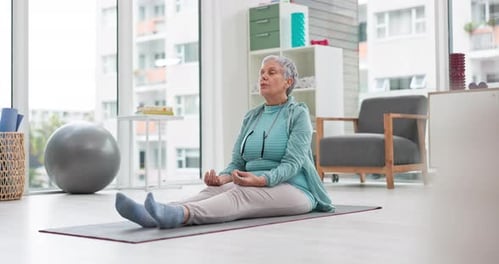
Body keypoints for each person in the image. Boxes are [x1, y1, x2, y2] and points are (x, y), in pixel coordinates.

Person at [115, 55, 334, 229]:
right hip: (254, 183)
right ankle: (153, 214)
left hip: (294, 188)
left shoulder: (298, 114)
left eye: (271, 72)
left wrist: (259, 180)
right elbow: (237, 162)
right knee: (210, 193)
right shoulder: (252, 116)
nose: (263, 77)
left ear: (288, 81)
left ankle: (181, 216)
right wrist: (222, 178)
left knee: (241, 194)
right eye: (261, 73)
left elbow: (292, 164)